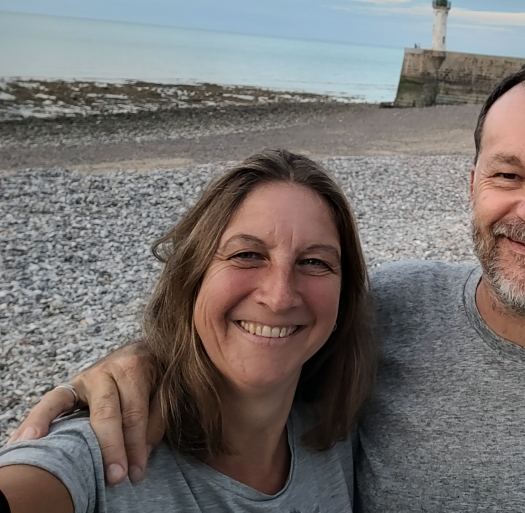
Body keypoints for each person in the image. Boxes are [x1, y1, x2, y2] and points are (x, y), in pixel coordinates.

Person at [9, 59, 525, 511]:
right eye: (508, 176)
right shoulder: (382, 312)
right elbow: (260, 323)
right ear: (474, 188)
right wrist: (141, 361)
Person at [0, 150, 374, 512]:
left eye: (313, 262)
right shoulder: (103, 452)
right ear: (190, 278)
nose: (278, 297)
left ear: (345, 295)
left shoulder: (339, 436)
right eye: (246, 255)